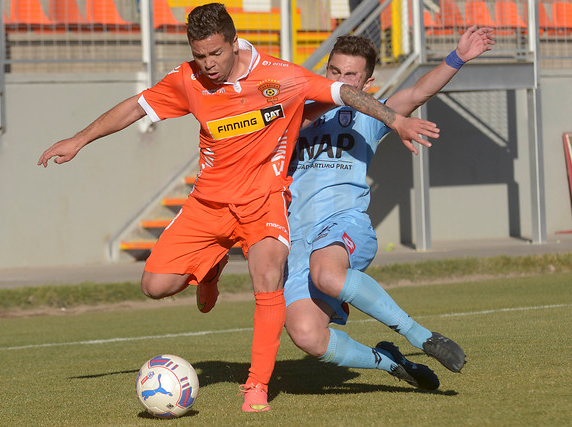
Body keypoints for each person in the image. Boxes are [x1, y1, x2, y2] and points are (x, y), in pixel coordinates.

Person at [37, 3, 439, 412]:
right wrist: (78, 140)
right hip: (208, 203)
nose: (208, 64)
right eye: (199, 55)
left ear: (233, 42)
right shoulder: (187, 79)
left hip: (263, 200)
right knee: (155, 286)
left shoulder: (280, 76)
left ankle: (256, 386)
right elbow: (135, 106)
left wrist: (395, 120)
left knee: (267, 276)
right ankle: (210, 268)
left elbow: (343, 92)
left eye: (215, 53)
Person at [284, 26, 494, 389]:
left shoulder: (369, 116)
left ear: (367, 84)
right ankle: (389, 362)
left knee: (328, 275)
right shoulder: (296, 116)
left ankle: (420, 336)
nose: (342, 80)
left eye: (351, 75)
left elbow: (416, 92)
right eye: (335, 72)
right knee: (306, 335)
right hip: (297, 238)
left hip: (342, 223)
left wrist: (457, 57)